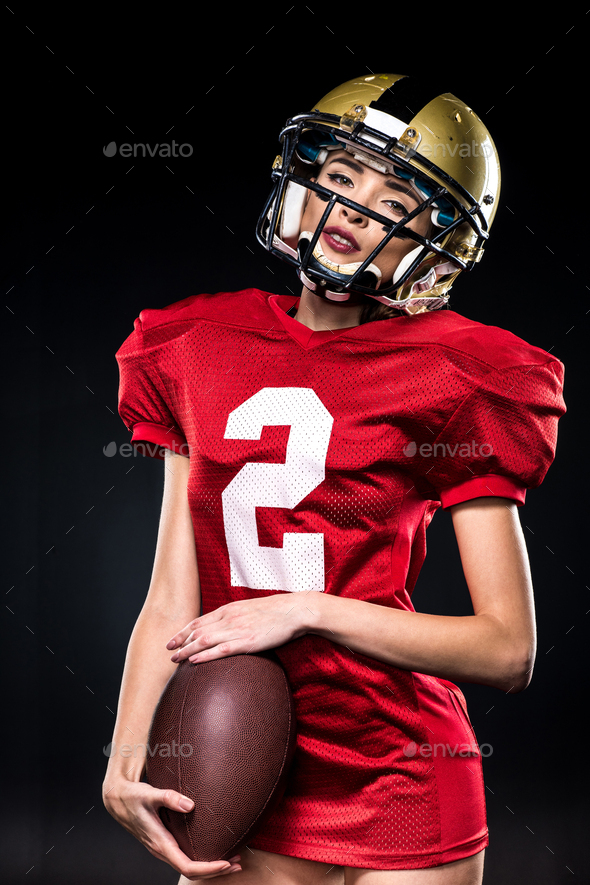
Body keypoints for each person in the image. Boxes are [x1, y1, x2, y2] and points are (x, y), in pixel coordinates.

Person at [102, 74, 566, 884]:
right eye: (342, 176)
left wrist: (305, 610)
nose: (352, 207)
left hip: (404, 760)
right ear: (301, 179)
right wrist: (129, 755)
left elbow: (506, 648)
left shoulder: (461, 372)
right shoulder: (194, 344)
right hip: (244, 749)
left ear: (439, 238)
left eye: (395, 197)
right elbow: (172, 598)